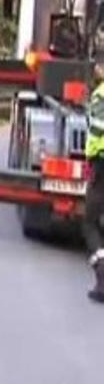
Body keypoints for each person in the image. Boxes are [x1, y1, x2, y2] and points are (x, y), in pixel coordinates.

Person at [84, 53, 104, 302]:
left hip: (101, 163)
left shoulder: (100, 95)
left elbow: (98, 127)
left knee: (89, 222)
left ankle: (101, 271)